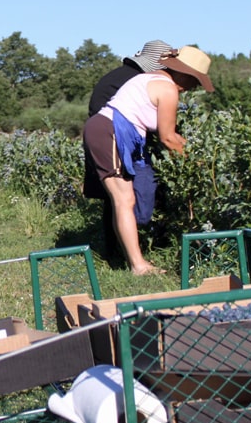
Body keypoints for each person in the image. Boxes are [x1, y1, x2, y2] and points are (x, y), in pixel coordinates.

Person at [83, 45, 214, 275]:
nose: (193, 88)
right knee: (124, 200)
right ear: (185, 74)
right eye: (195, 82)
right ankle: (138, 265)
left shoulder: (149, 78)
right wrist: (200, 164)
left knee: (124, 201)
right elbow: (168, 137)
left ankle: (130, 260)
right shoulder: (167, 89)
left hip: (108, 131)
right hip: (109, 132)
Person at [84, 40, 177, 257]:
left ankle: (117, 252)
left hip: (105, 138)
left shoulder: (115, 76)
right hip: (115, 139)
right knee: (124, 200)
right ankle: (132, 256)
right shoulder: (141, 80)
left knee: (116, 201)